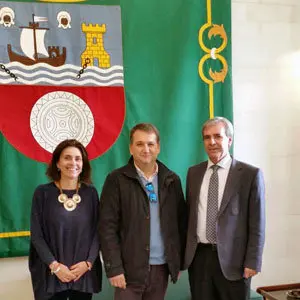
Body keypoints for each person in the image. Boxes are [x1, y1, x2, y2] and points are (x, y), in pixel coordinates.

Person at [99, 123, 187, 300]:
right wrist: (114, 268)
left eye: (150, 144)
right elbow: (107, 227)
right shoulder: (116, 180)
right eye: (139, 144)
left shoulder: (172, 180)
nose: (145, 149)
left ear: (158, 148)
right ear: (131, 148)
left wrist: (176, 264)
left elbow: (181, 224)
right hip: (128, 270)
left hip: (161, 269)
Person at [184, 117, 265, 300]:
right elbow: (189, 216)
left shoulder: (250, 175)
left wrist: (253, 261)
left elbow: (257, 223)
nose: (212, 142)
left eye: (217, 137)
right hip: (199, 259)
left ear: (229, 140)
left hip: (234, 261)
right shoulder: (193, 173)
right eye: (207, 137)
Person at [29, 139, 102, 300]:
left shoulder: (91, 193)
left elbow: (98, 232)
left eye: (78, 158)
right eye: (67, 157)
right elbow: (37, 236)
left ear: (83, 164)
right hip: (51, 275)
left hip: (82, 275)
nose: (73, 162)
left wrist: (88, 263)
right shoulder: (42, 193)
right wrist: (55, 266)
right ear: (57, 163)